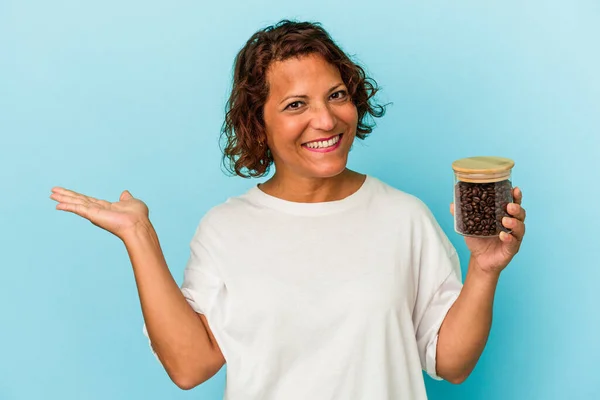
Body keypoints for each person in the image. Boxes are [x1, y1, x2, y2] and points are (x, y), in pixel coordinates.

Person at [49, 20, 527, 400]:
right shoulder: (225, 229)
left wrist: (484, 271)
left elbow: (451, 363)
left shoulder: (404, 217)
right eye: (296, 104)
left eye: (336, 95)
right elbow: (191, 367)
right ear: (258, 125)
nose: (325, 119)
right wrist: (139, 237)